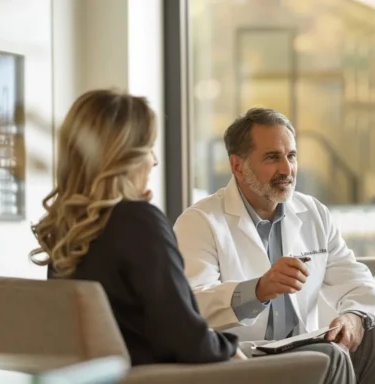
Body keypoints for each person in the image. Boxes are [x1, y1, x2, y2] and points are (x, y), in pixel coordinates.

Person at [174, 107, 375, 384]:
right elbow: (191, 307)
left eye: (291, 156)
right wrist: (258, 290)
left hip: (301, 347)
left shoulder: (313, 212)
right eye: (272, 157)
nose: (287, 169)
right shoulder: (200, 221)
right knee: (328, 355)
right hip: (242, 357)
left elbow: (354, 279)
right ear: (237, 165)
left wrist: (354, 317)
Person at [29, 89, 244, 366]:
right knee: (318, 357)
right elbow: (185, 340)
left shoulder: (65, 228)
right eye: (148, 148)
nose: (154, 161)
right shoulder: (137, 222)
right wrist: (230, 349)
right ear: (124, 158)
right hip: (158, 377)